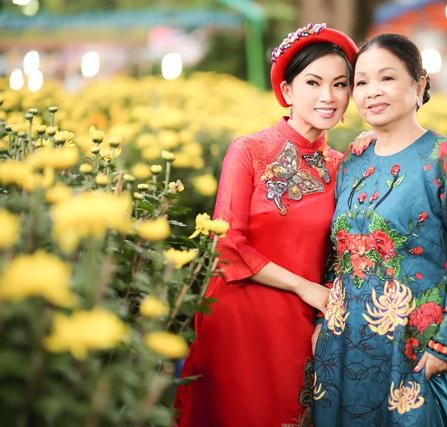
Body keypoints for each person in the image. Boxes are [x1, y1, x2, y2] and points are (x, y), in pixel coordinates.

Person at [173, 23, 358, 427]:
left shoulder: (344, 167)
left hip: (301, 323)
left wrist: (324, 314)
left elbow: (344, 254)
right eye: (313, 82)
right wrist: (303, 286)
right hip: (239, 317)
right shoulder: (249, 151)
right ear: (287, 91)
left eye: (340, 84)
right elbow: (228, 245)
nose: (328, 96)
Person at [313, 33, 447, 426]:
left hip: (414, 346)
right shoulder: (352, 164)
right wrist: (320, 324)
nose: (372, 92)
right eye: (361, 82)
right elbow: (336, 253)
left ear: (419, 84)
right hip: (341, 346)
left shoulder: (445, 157)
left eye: (387, 78)